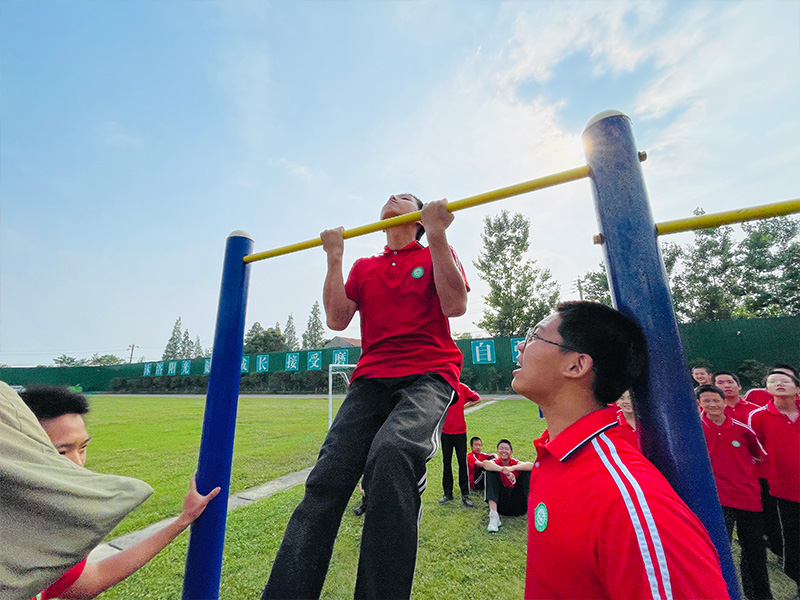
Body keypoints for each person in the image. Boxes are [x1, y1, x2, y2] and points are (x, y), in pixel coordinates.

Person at [263, 194, 469, 600]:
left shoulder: (434, 251)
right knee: (326, 479)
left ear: (418, 219)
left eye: (406, 198)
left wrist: (439, 236)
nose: (394, 197)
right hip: (371, 378)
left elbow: (456, 304)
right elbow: (337, 318)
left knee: (391, 454)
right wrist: (335, 257)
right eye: (390, 197)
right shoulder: (365, 266)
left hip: (428, 373)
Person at [512, 301, 729, 599]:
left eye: (535, 335)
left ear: (576, 365)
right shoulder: (554, 457)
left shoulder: (630, 501)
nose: (521, 346)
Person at [19, 385, 219, 600]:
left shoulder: (46, 516)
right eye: (61, 452)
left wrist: (183, 519)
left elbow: (87, 582)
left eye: (83, 447)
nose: (78, 463)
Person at [696, 384, 772, 600]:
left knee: (755, 553)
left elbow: (760, 456)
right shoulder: (696, 430)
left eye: (716, 400)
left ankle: (759, 595)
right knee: (718, 551)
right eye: (707, 401)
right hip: (717, 501)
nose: (712, 405)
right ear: (700, 404)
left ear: (723, 402)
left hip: (748, 498)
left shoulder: (742, 429)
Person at [748, 370, 800, 593]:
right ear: (766, 390)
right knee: (794, 539)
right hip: (784, 490)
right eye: (773, 382)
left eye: (785, 381)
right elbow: (754, 451)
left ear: (797, 388)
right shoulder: (759, 417)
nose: (779, 384)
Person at [440, 382, 481, 507]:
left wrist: (464, 406)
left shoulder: (462, 387)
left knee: (462, 462)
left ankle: (465, 494)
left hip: (460, 432)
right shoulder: (442, 388)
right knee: (446, 462)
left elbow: (477, 399)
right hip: (445, 432)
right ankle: (447, 494)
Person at [479, 439, 533, 532]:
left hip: (519, 505)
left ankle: (532, 512)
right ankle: (494, 516)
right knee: (490, 472)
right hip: (501, 505)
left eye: (506, 449)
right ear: (497, 450)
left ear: (511, 452)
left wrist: (512, 468)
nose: (504, 451)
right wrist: (502, 469)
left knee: (526, 471)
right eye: (501, 448)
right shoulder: (495, 463)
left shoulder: (514, 462)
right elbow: (485, 464)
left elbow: (531, 465)